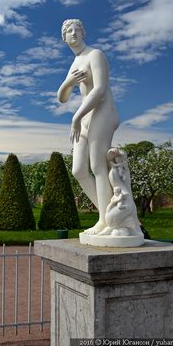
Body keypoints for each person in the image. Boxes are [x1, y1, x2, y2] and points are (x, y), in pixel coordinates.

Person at [57, 19, 119, 235]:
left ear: (83, 33)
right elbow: (62, 98)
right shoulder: (75, 64)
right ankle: (111, 213)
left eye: (77, 30)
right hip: (86, 117)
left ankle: (106, 221)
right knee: (78, 170)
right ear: (64, 38)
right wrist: (68, 83)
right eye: (68, 31)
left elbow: (100, 89)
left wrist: (76, 117)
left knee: (98, 166)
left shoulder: (95, 55)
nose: (73, 33)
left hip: (102, 112)